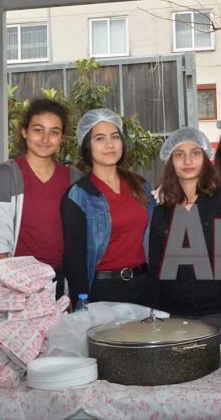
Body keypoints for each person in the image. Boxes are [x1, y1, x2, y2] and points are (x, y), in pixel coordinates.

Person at [147, 127, 221, 342]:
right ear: (171, 162)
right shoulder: (163, 210)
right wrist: (156, 316)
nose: (187, 161)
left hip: (219, 314)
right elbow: (156, 270)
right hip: (174, 317)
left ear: (206, 157)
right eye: (179, 154)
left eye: (195, 153)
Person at [0, 98, 81, 297]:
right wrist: (11, 286)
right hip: (18, 283)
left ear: (62, 137)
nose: (45, 139)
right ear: (24, 131)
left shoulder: (74, 179)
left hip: (63, 284)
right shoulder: (6, 175)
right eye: (38, 130)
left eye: (54, 132)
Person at [62, 109, 156, 307]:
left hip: (144, 287)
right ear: (87, 146)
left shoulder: (141, 185)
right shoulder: (78, 195)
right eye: (100, 138)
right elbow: (74, 259)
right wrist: (81, 302)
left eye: (115, 137)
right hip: (102, 292)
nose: (109, 144)